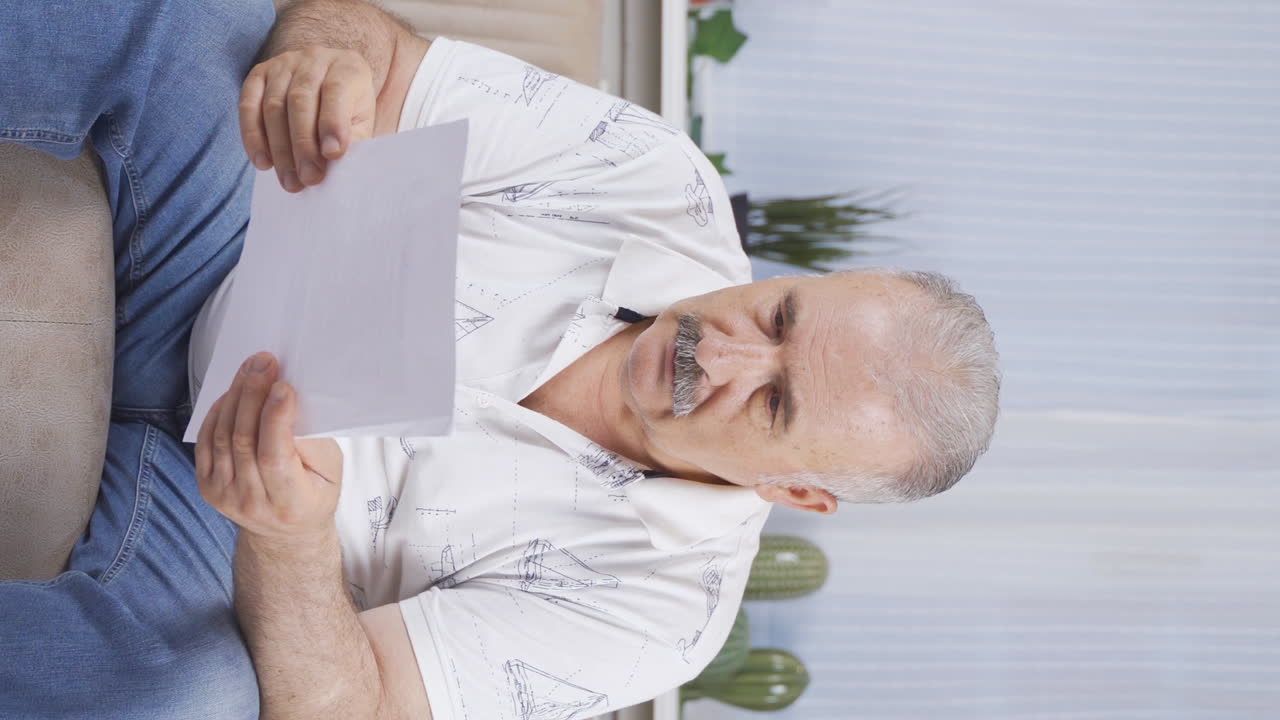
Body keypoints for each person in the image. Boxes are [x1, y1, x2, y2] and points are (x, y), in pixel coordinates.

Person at [0, 1, 1000, 718]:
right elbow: (375, 51)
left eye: (771, 400)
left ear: (797, 491)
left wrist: (291, 541)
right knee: (195, 20)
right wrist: (326, 58)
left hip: (219, 533)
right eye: (778, 314)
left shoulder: (667, 615)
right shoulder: (661, 181)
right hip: (219, 238)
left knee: (189, 698)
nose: (723, 349)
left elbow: (360, 708)